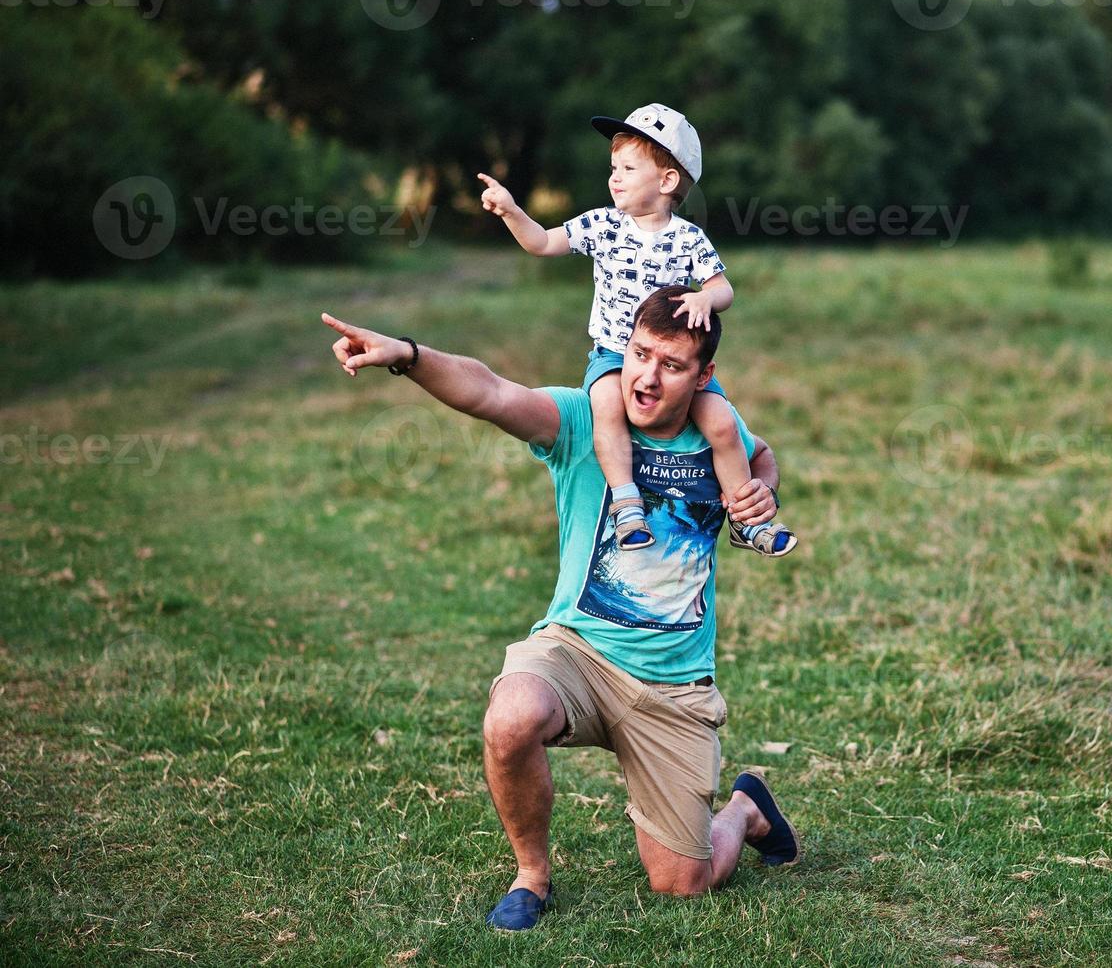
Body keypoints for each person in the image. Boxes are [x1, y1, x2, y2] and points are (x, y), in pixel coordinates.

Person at [321, 286, 801, 933]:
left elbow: (761, 457)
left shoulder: (718, 432)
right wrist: (406, 354)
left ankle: (743, 809)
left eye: (671, 364)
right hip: (575, 650)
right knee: (512, 715)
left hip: (673, 684)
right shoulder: (580, 421)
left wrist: (760, 494)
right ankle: (531, 876)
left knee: (683, 885)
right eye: (639, 354)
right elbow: (489, 391)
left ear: (704, 375)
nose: (647, 378)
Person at [476, 102, 798, 557]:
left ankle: (745, 519)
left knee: (723, 424)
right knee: (606, 406)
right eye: (613, 167)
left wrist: (707, 297)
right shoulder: (602, 225)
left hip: (670, 361)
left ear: (667, 181)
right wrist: (511, 211)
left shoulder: (687, 238)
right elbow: (543, 243)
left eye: (628, 167)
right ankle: (626, 505)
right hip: (613, 354)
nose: (615, 177)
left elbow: (723, 288)